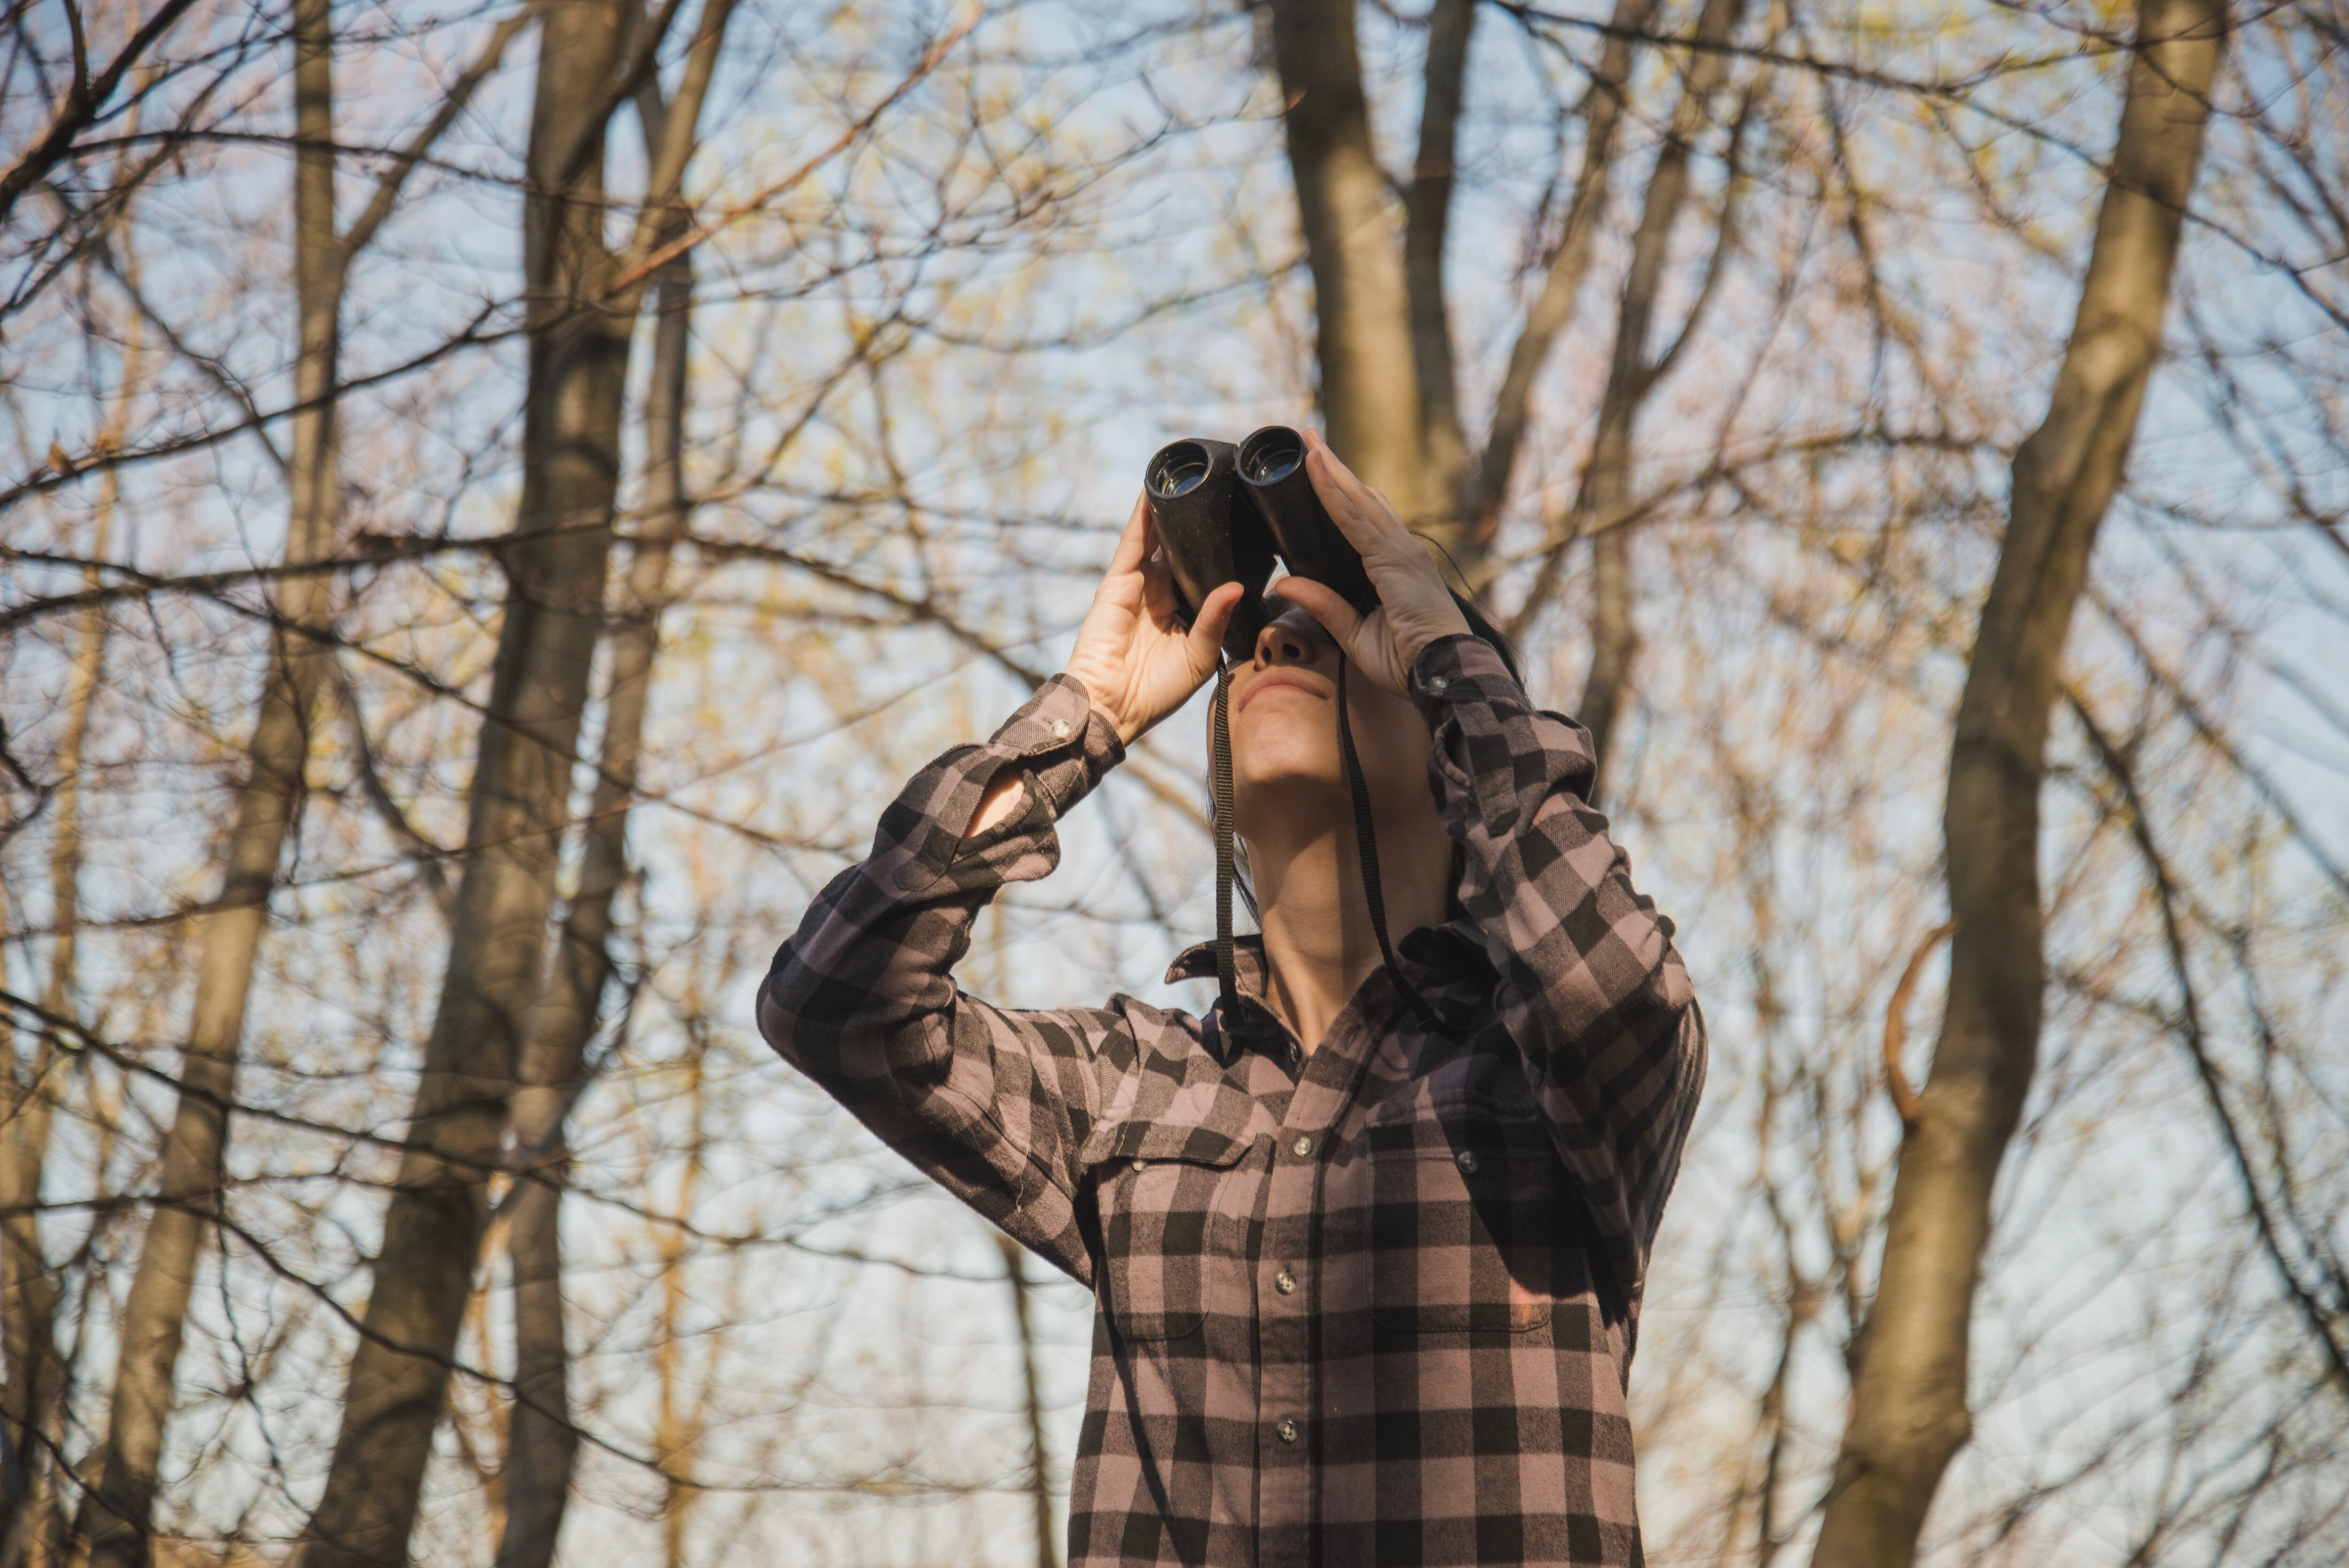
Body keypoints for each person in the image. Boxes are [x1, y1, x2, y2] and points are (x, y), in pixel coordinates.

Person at [759, 430, 1705, 1568]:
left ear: (1452, 750)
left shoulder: (1539, 1070)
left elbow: (1611, 984)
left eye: (1343, 627)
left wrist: (1447, 653)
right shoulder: (1134, 1085)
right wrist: (1084, 715)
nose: (1275, 638)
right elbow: (834, 1000)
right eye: (1257, 636)